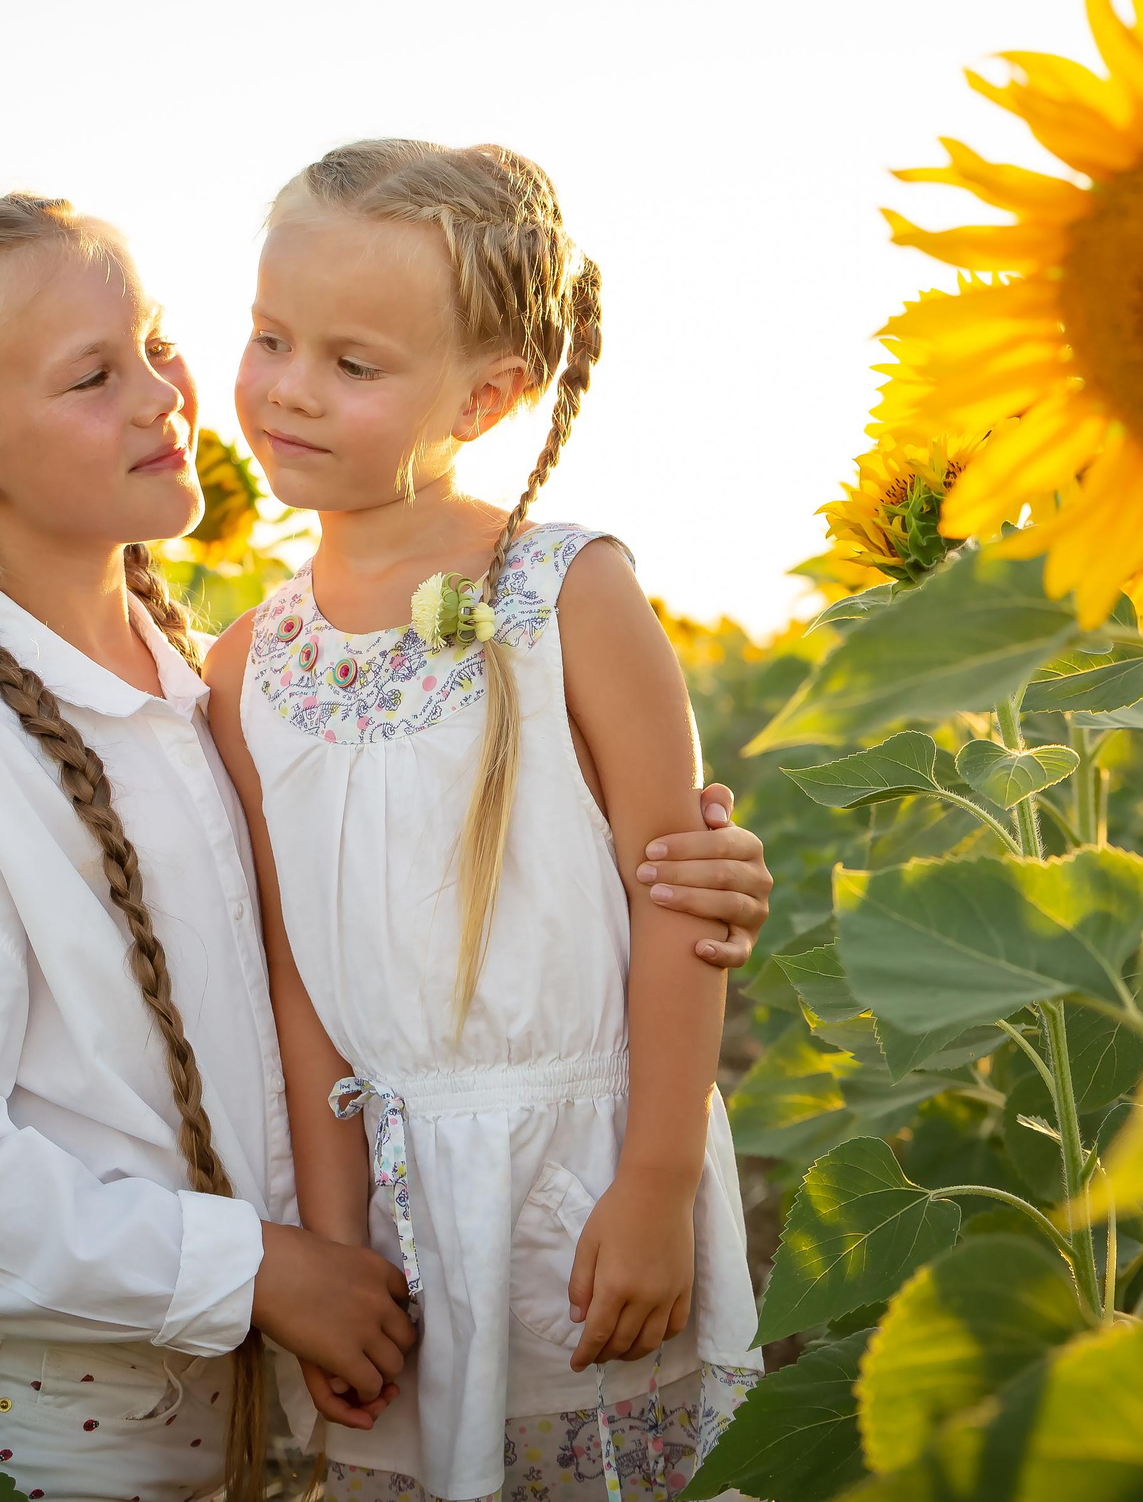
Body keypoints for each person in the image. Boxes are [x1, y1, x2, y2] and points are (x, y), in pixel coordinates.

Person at [0, 193, 774, 1502]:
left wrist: (664, 867)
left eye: (152, 342)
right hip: (69, 1447)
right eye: (94, 377)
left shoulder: (230, 696)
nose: (161, 397)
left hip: (267, 1418)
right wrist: (259, 1266)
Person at [205, 141, 762, 1502]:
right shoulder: (245, 664)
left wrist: (659, 1181)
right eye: (271, 336)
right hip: (395, 1213)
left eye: (354, 364)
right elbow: (298, 976)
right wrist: (335, 1246)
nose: (287, 387)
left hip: (584, 1189)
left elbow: (678, 892)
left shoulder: (570, 594)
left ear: (489, 395)